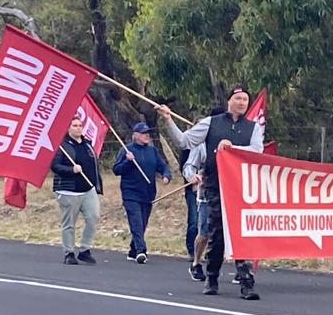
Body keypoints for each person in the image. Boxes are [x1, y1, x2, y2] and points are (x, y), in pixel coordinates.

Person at [157, 85, 264, 300]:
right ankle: (212, 276)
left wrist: (231, 148)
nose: (242, 102)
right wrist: (168, 120)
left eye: (245, 99)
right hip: (215, 187)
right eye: (238, 98)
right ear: (229, 101)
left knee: (240, 234)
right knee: (217, 234)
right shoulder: (211, 123)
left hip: (241, 189)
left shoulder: (253, 128)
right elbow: (184, 141)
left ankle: (246, 283)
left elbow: (257, 152)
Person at [113, 122, 172, 264]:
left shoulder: (152, 151)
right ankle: (141, 251)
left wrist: (166, 175)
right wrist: (128, 162)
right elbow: (116, 170)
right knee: (136, 222)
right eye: (143, 133)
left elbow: (163, 166)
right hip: (130, 193)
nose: (147, 135)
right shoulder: (127, 150)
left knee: (143, 223)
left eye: (148, 133)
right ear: (136, 135)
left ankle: (133, 250)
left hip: (148, 193)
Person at [50, 116, 102, 265]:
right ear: (68, 128)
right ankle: (69, 252)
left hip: (88, 188)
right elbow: (55, 166)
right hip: (68, 190)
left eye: (80, 125)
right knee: (69, 224)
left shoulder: (87, 145)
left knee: (93, 217)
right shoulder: (62, 146)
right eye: (75, 125)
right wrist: (71, 169)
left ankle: (85, 249)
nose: (78, 128)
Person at [184, 107, 225, 282]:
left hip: (229, 194)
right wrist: (192, 176)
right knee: (205, 232)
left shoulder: (235, 141)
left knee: (227, 234)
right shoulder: (202, 144)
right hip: (207, 194)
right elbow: (189, 166)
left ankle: (239, 268)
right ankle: (196, 262)